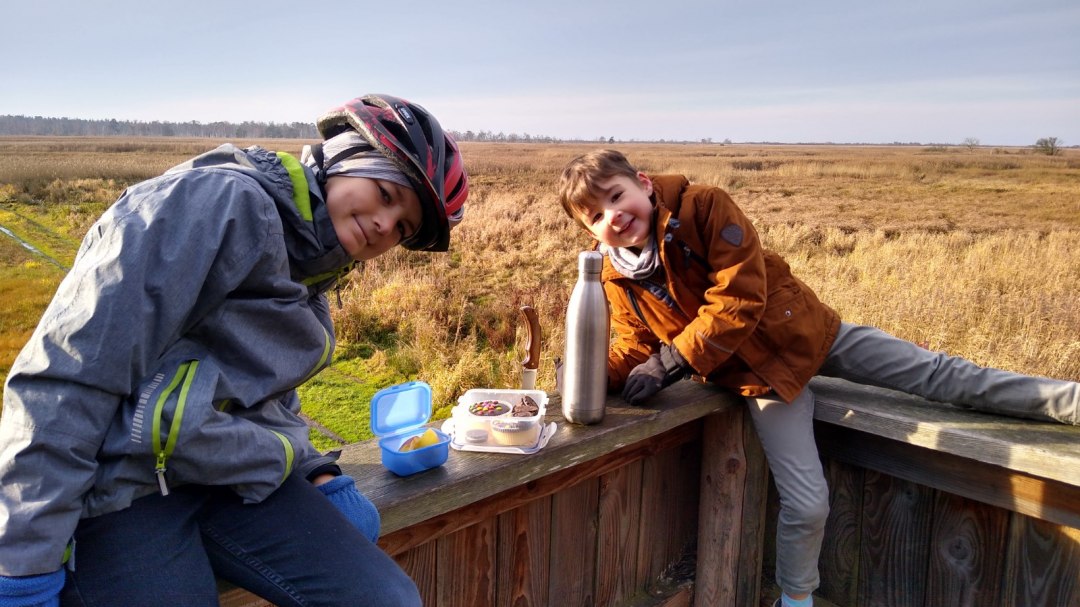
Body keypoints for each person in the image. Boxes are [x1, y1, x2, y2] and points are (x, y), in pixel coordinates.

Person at [0, 94, 468, 607]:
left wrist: (315, 468)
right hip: (122, 491)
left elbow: (251, 388)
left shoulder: (312, 263)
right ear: (342, 161)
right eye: (384, 193)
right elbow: (67, 375)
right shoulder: (213, 205)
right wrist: (21, 565)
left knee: (385, 599)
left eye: (403, 227)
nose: (385, 225)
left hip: (226, 478)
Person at [555, 149, 1078, 607]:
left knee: (945, 375)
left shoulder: (705, 206)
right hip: (756, 381)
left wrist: (671, 363)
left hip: (812, 335)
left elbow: (740, 298)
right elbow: (633, 346)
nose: (613, 217)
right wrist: (586, 374)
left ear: (643, 183)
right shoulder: (617, 279)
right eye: (597, 216)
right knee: (807, 502)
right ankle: (796, 598)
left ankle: (1069, 402)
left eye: (617, 197)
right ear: (589, 231)